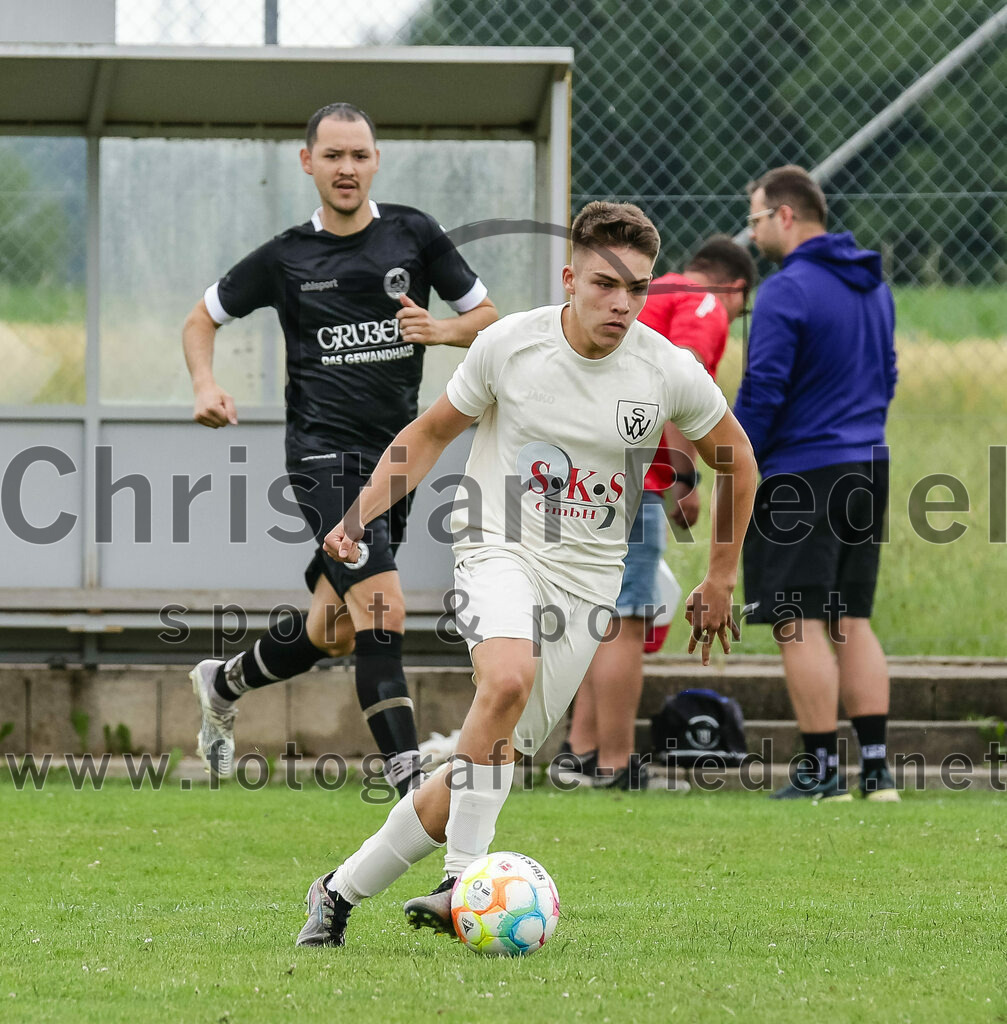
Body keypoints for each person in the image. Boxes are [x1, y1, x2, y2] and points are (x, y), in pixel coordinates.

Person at [293, 200, 757, 947]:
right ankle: (464, 878)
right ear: (570, 278)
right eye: (605, 283)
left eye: (636, 288)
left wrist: (721, 577)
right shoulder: (510, 345)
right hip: (495, 546)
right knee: (503, 682)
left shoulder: (666, 370)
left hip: (584, 586)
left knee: (481, 762)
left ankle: (337, 893)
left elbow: (739, 464)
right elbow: (429, 433)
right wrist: (357, 516)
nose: (620, 302)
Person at [181, 102, 497, 795]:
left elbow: (485, 318)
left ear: (375, 159)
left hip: (400, 461)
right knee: (383, 609)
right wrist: (206, 384)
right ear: (308, 163)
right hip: (322, 457)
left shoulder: (414, 234)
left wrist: (441, 331)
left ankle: (224, 680)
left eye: (358, 155)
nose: (346, 168)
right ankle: (412, 787)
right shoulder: (287, 256)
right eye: (333, 156)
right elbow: (202, 318)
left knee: (335, 630)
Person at [561, 235, 756, 789]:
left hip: (586, 478)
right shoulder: (704, 302)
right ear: (734, 286)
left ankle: (580, 751)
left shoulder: (649, 294)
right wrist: (682, 476)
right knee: (627, 621)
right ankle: (617, 763)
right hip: (639, 481)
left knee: (596, 618)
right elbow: (684, 381)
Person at [735, 164, 898, 802]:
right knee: (849, 617)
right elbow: (887, 376)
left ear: (785, 215)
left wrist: (735, 459)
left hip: (802, 471)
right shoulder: (873, 286)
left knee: (797, 618)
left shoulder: (786, 290)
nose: (751, 236)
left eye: (754, 220)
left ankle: (820, 772)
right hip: (869, 463)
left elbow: (764, 390)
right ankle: (878, 770)